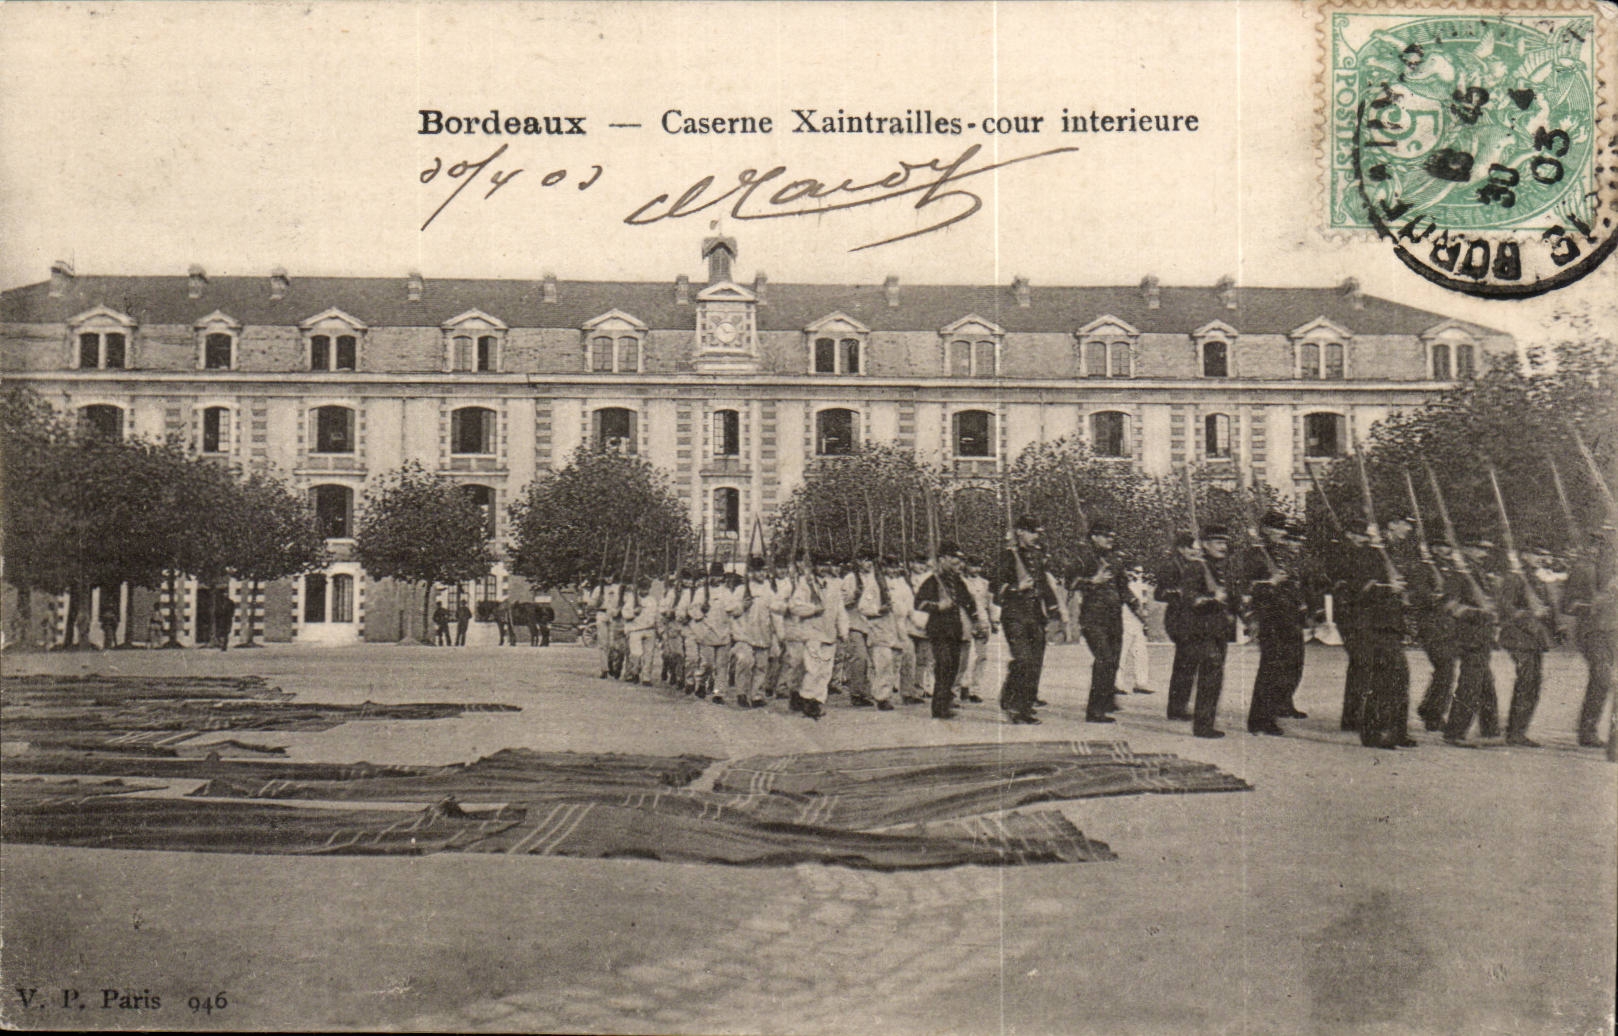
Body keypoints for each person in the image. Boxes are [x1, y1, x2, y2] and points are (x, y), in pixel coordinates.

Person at [1155, 526, 1235, 738]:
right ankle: (1202, 725)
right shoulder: (1195, 568)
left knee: (1215, 675)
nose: (1223, 547)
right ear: (1206, 545)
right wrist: (1212, 599)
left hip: (1218, 628)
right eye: (1217, 543)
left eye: (1224, 543)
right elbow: (1190, 599)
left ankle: (1204, 722)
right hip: (1199, 629)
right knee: (1210, 672)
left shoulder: (1219, 567)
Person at [1243, 513, 1308, 736]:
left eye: (1282, 529)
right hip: (1269, 617)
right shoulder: (1256, 554)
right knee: (1270, 669)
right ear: (1265, 530)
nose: (1282, 533)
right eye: (1277, 529)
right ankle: (1259, 719)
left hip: (1287, 617)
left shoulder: (1278, 554)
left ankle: (1270, 714)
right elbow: (1248, 586)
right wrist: (1271, 583)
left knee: (1281, 668)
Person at [992, 516, 1061, 725]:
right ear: (1020, 532)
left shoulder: (1038, 556)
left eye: (1037, 532)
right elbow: (996, 589)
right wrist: (1016, 588)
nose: (1035, 536)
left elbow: (1044, 586)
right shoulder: (1007, 556)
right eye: (1032, 532)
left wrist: (1054, 612)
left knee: (1035, 663)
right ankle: (1011, 702)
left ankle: (1025, 706)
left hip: (1035, 616)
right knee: (1022, 659)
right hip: (1014, 615)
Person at [914, 542, 987, 720]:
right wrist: (938, 606)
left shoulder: (957, 581)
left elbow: (969, 603)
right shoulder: (932, 580)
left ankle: (946, 703)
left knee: (953, 667)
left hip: (955, 630)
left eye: (959, 559)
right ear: (943, 559)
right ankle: (938, 708)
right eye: (954, 558)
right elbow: (919, 603)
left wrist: (977, 621)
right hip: (938, 630)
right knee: (944, 665)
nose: (957, 562)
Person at [1562, 528, 1617, 755]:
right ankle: (1587, 731)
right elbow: (1569, 604)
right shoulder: (1583, 571)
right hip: (1593, 632)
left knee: (1604, 681)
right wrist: (1593, 605)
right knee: (1602, 678)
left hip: (1614, 632)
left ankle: (1590, 731)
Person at [1442, 543, 1502, 747]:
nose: (1483, 553)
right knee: (1470, 684)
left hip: (1482, 636)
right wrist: (1479, 613)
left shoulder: (1478, 572)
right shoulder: (1459, 573)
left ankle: (1490, 730)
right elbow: (1450, 606)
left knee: (1485, 682)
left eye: (1484, 549)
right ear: (1466, 549)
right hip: (1469, 636)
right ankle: (1454, 732)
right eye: (1478, 548)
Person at [1073, 520, 1130, 723]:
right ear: (1094, 537)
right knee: (1104, 659)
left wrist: (1135, 605)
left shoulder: (1115, 560)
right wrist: (1091, 581)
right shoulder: (1083, 557)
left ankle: (1106, 701)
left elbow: (1122, 586)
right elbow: (1071, 582)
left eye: (1111, 537)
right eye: (1105, 536)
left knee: (1113, 661)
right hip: (1093, 617)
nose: (1110, 540)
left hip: (1114, 618)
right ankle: (1094, 710)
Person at [1499, 548, 1556, 747]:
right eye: (1534, 553)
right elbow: (1506, 606)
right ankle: (1514, 732)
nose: (1540, 558)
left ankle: (1519, 731)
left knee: (1532, 685)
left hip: (1533, 639)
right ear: (1524, 555)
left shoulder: (1535, 578)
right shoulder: (1515, 577)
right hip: (1519, 637)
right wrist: (1531, 617)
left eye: (1542, 554)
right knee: (1526, 683)